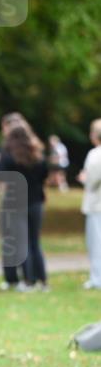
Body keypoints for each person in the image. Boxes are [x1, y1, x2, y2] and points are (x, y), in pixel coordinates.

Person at [0, 121, 49, 291]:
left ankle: (28, 280)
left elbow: (1, 179)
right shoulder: (38, 156)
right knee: (35, 242)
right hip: (36, 202)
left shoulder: (8, 157)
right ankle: (42, 280)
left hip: (15, 203)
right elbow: (44, 177)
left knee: (21, 242)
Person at [77, 118, 101, 290]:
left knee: (96, 243)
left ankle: (97, 278)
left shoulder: (95, 154)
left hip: (96, 205)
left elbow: (92, 180)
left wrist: (83, 178)